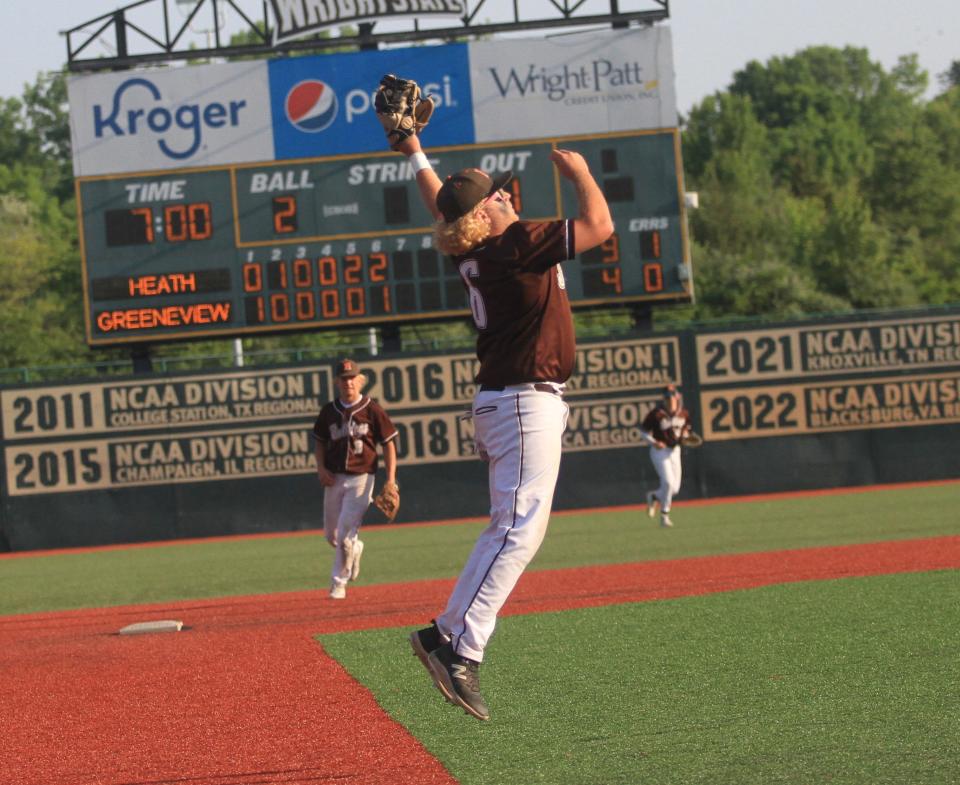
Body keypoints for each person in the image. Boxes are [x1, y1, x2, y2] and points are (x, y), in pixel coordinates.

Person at [393, 121, 613, 720]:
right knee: (516, 529)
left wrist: (414, 151)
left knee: (518, 528)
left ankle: (451, 638)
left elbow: (446, 202)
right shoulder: (516, 244)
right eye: (498, 195)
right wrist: (584, 176)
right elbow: (600, 228)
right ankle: (455, 644)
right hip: (521, 401)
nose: (508, 196)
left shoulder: (478, 245)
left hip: (514, 400)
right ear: (485, 216)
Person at [312, 359, 398, 600]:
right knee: (333, 536)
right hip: (334, 478)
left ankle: (338, 583)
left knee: (346, 532)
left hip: (362, 478)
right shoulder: (329, 411)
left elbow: (388, 444)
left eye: (352, 378)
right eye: (344, 378)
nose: (348, 382)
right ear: (337, 382)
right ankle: (355, 548)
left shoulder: (372, 409)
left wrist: (391, 480)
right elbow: (319, 441)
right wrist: (320, 468)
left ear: (360, 380)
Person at [641, 384, 693, 528]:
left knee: (674, 489)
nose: (670, 399)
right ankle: (664, 516)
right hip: (659, 452)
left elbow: (686, 431)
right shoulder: (656, 414)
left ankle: (654, 496)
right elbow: (643, 432)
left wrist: (686, 437)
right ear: (664, 399)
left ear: (677, 397)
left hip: (675, 451)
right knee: (668, 483)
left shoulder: (684, 414)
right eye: (667, 397)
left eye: (672, 396)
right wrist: (654, 442)